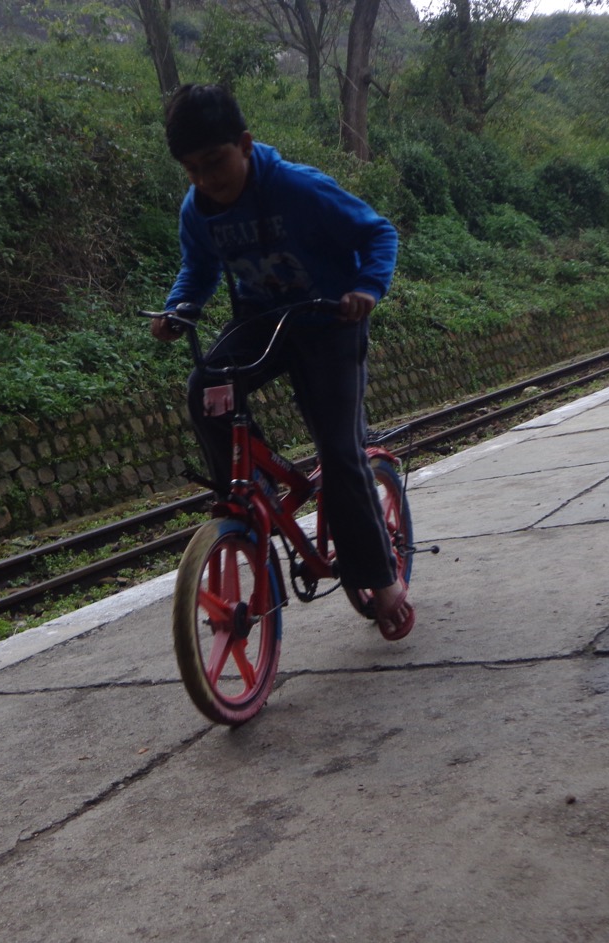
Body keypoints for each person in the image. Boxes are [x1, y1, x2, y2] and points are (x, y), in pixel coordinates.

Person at [150, 83, 415, 641]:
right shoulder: (197, 210)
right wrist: (179, 309)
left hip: (329, 322)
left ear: (245, 145)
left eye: (215, 162)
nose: (207, 179)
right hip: (262, 320)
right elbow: (198, 269)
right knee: (205, 388)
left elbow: (378, 232)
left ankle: (381, 576)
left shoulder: (298, 187)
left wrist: (367, 288)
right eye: (192, 169)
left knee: (339, 452)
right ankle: (246, 499)